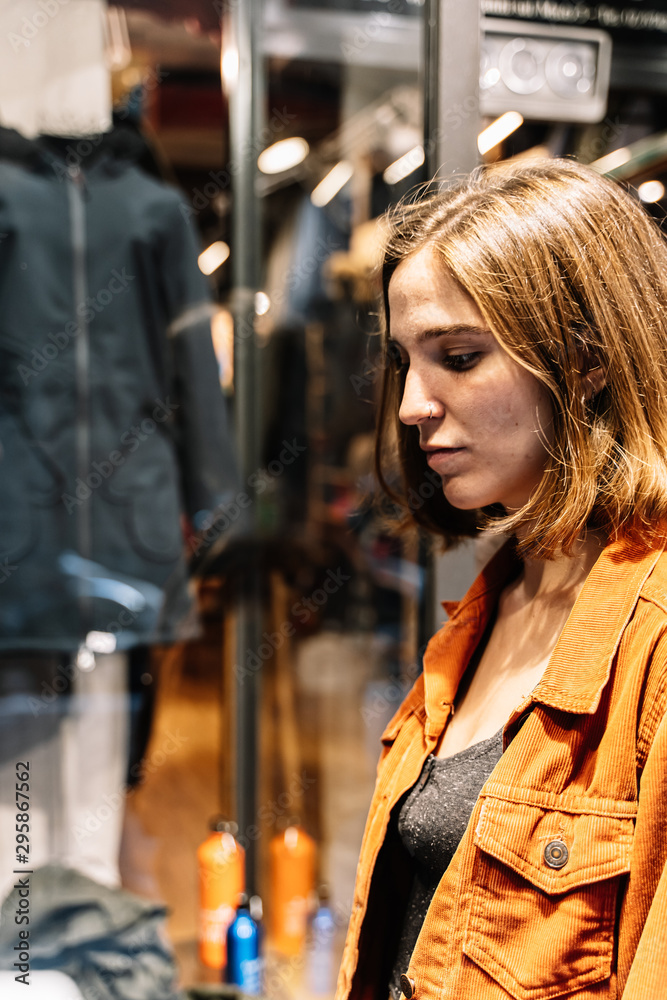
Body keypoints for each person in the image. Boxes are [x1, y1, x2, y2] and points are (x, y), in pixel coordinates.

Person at [336, 158, 667, 1000]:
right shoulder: (490, 605)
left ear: (588, 358)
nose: (413, 404)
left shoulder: (654, 640)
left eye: (457, 355)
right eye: (407, 361)